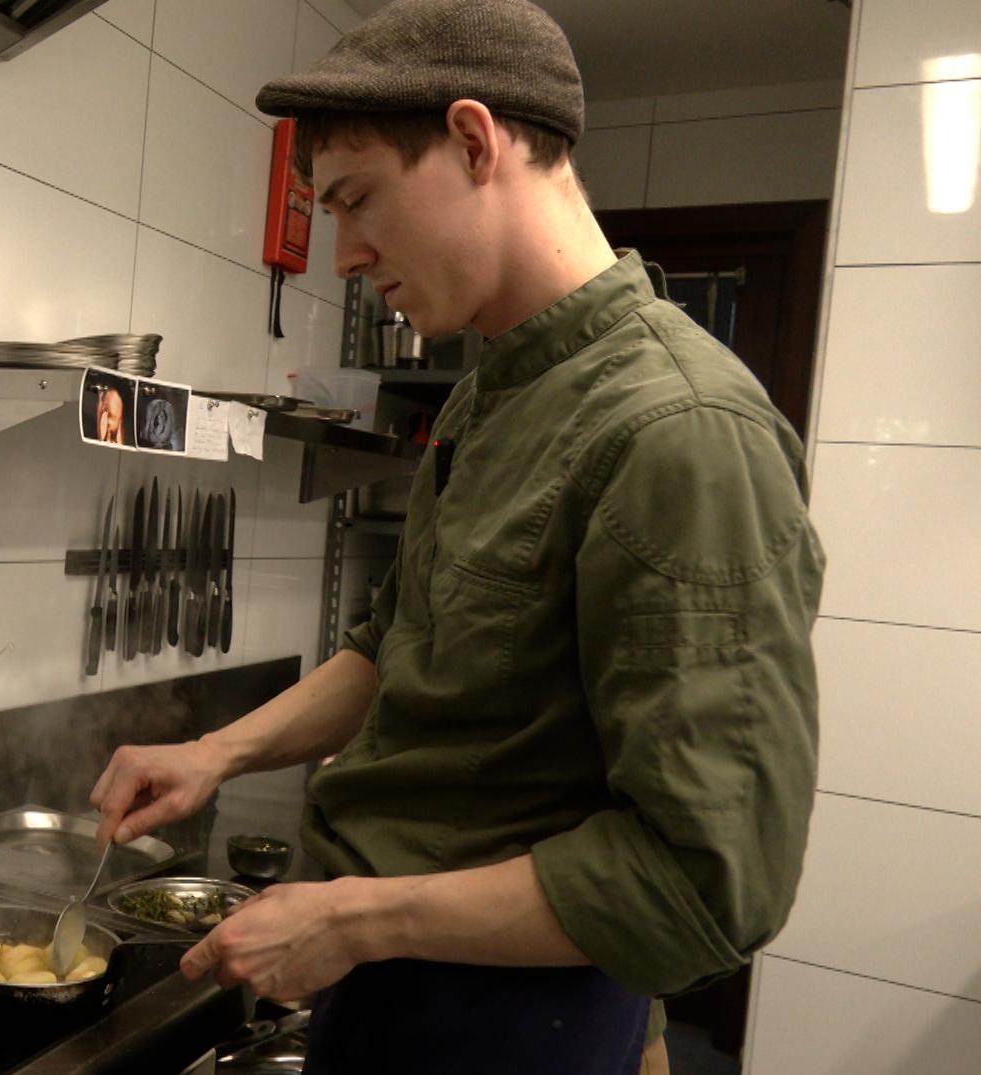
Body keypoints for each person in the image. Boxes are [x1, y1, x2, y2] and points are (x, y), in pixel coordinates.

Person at [85, 2, 825, 1072]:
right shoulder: (494, 395)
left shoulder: (681, 431)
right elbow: (394, 648)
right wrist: (213, 753)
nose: (345, 254)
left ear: (476, 142)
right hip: (397, 997)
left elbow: (706, 886)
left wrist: (354, 918)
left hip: (516, 1025)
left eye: (357, 200)